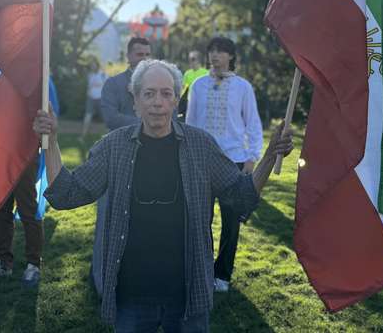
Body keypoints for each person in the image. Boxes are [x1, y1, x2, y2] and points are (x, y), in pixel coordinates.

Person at [36, 59, 293, 331]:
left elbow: (241, 196)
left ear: (176, 101)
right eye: (148, 93)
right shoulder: (114, 147)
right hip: (131, 296)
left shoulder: (201, 146)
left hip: (187, 295)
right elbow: (66, 194)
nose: (157, 102)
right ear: (135, 101)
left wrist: (269, 155)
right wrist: (51, 141)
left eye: (166, 93)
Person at [186, 37, 262, 292]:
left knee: (231, 223)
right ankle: (203, 270)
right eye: (212, 51)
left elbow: (252, 123)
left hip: (234, 163)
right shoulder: (198, 85)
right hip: (202, 162)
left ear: (231, 56)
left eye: (221, 52)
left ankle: (223, 275)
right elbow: (190, 123)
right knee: (200, 220)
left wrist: (251, 157)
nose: (215, 56)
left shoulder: (243, 87)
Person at [0, 78, 60, 287]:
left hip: (25, 154)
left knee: (28, 210)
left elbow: (51, 115)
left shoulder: (38, 79)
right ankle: (3, 262)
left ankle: (33, 264)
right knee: (1, 210)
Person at [90, 37, 152, 294]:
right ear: (128, 56)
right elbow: (111, 118)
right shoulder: (114, 84)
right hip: (115, 162)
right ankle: (103, 281)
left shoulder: (156, 85)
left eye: (148, 54)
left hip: (150, 163)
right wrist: (147, 123)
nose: (144, 58)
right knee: (109, 221)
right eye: (139, 54)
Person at [177, 50, 208, 119]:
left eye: (193, 59)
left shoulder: (206, 73)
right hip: (190, 103)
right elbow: (183, 89)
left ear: (198, 60)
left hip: (203, 103)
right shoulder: (187, 73)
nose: (191, 61)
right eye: (189, 59)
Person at [82, 57, 106, 140]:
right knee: (87, 117)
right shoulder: (90, 75)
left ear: (97, 65)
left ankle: (107, 136)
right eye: (91, 65)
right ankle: (83, 136)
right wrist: (88, 94)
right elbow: (89, 87)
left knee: (105, 118)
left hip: (100, 99)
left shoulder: (102, 74)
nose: (92, 66)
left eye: (94, 65)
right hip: (91, 99)